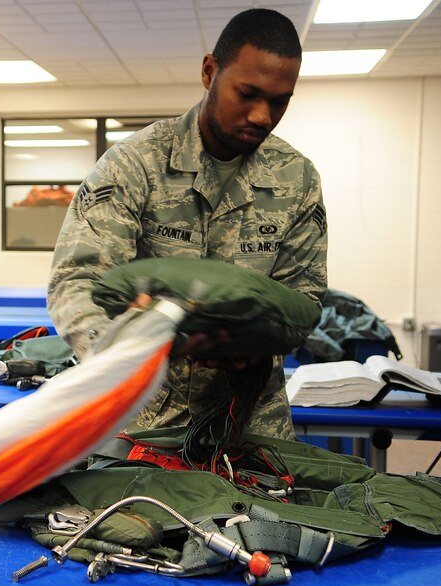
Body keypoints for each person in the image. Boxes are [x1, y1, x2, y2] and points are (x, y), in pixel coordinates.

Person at [47, 8, 328, 439]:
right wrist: (136, 346)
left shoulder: (297, 178)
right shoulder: (135, 164)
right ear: (209, 70)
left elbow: (301, 302)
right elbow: (77, 282)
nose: (261, 116)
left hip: (250, 425)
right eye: (248, 93)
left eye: (279, 101)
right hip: (140, 422)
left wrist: (245, 343)